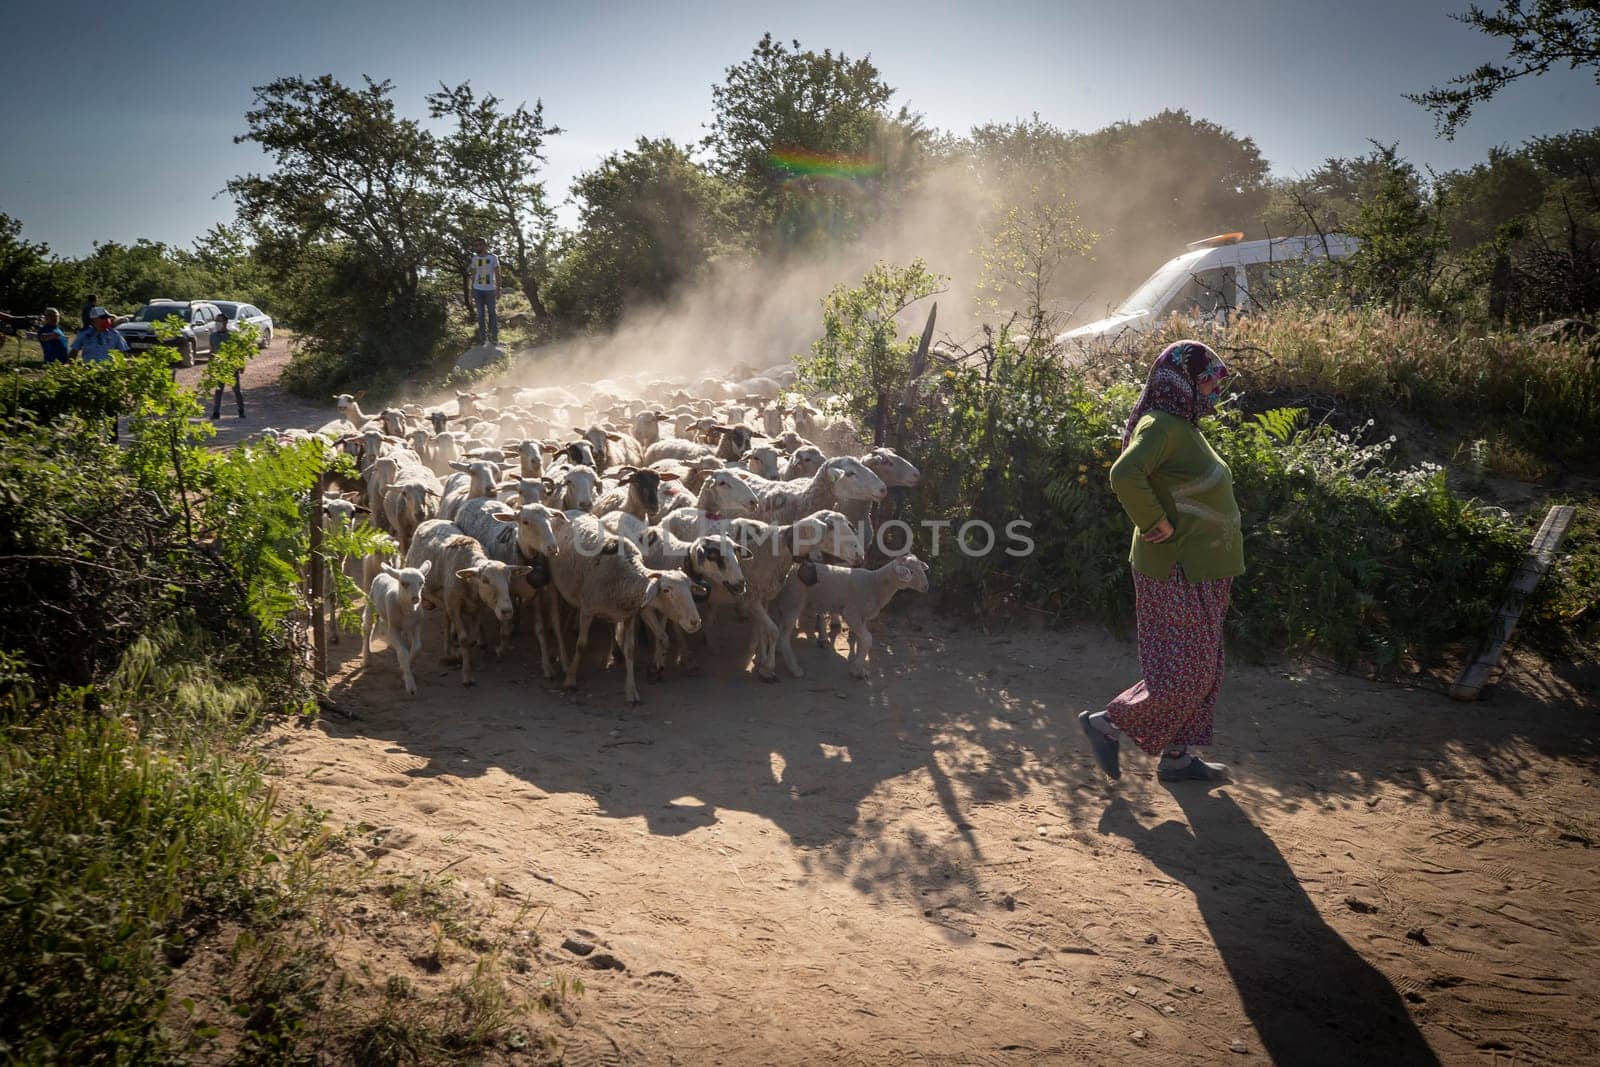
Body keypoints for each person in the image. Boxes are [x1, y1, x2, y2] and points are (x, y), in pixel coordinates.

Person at [1081, 339, 1242, 783]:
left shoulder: (1183, 426)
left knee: (1204, 670)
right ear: (1181, 381)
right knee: (1184, 675)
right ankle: (1106, 724)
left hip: (1203, 569)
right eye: (1207, 383)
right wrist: (1153, 522)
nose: (1213, 393)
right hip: (1176, 568)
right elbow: (1123, 473)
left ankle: (1177, 758)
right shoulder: (1161, 425)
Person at [207, 312, 246, 420]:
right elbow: (211, 352)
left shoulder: (232, 336)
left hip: (231, 366)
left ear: (225, 322)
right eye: (216, 321)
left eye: (220, 321)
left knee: (237, 390)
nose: (217, 323)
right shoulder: (213, 336)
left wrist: (242, 364)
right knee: (218, 390)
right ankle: (216, 413)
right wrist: (210, 366)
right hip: (219, 367)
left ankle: (241, 411)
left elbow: (239, 351)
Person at [468, 237, 499, 346]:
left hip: (490, 290)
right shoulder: (475, 259)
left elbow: (498, 274)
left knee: (492, 313)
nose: (476, 247)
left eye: (478, 245)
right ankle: (483, 338)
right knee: (480, 314)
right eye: (475, 245)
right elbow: (474, 274)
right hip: (478, 290)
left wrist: (498, 289)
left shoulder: (493, 258)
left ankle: (494, 337)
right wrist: (471, 289)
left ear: (484, 246)